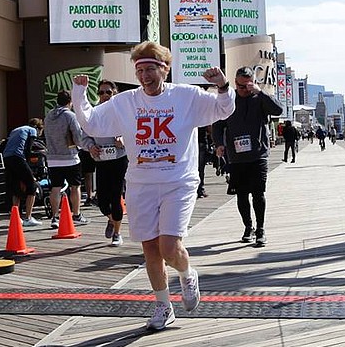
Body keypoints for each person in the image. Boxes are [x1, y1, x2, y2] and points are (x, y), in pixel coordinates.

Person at [71, 41, 235, 331]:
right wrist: (80, 94)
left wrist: (222, 85)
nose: (145, 76)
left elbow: (222, 109)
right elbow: (93, 123)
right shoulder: (126, 102)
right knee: (150, 249)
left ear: (165, 69)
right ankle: (163, 306)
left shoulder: (186, 96)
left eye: (150, 69)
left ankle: (186, 273)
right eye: (140, 71)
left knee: (169, 246)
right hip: (141, 183)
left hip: (178, 181)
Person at [212, 66, 283, 248]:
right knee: (241, 195)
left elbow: (278, 110)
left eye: (246, 86)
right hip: (236, 156)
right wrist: (219, 143)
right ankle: (248, 227)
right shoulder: (230, 99)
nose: (243, 89)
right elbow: (218, 125)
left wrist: (260, 93)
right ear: (235, 83)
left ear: (253, 83)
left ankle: (260, 229)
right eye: (239, 85)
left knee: (258, 194)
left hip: (258, 154)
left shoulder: (259, 98)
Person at [44, 90, 96, 229]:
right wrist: (85, 146)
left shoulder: (48, 116)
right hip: (70, 157)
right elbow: (78, 137)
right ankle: (76, 214)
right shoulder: (70, 115)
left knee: (55, 188)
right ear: (70, 102)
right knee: (75, 186)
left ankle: (54, 217)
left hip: (53, 158)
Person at [88, 79, 128, 246]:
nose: (105, 95)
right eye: (101, 92)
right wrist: (90, 146)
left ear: (115, 93)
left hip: (119, 159)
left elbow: (136, 131)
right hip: (102, 159)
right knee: (103, 202)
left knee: (115, 195)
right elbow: (85, 134)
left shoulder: (123, 111)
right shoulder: (94, 112)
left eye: (108, 92)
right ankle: (111, 219)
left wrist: (124, 139)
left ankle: (117, 234)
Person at [2, 118, 43, 227]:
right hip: (18, 157)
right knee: (32, 185)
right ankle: (28, 217)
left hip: (7, 158)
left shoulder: (16, 130)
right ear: (38, 128)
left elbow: (4, 145)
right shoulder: (32, 130)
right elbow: (28, 149)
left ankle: (16, 217)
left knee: (16, 188)